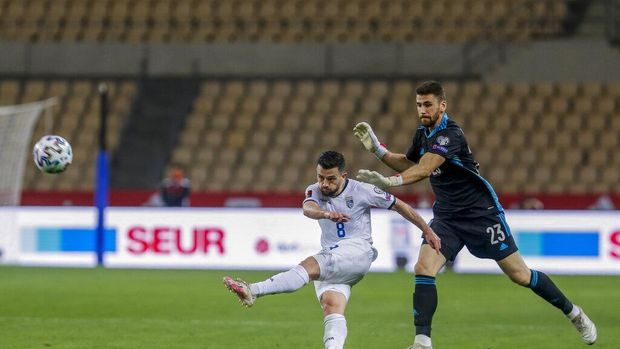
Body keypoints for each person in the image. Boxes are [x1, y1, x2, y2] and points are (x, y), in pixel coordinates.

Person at [353, 81, 597, 349]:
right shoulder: (423, 133)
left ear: (442, 105)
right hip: (447, 217)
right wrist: (378, 149)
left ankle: (574, 313)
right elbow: (413, 163)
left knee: (520, 275)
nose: (422, 110)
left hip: (481, 215)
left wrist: (391, 182)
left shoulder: (450, 135)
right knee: (424, 267)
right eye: (419, 105)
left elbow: (425, 169)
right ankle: (422, 341)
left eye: (427, 104)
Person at [223, 150, 441, 349]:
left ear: (343, 175)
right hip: (336, 256)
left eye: (330, 179)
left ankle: (253, 290)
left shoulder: (362, 190)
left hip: (358, 251)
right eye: (320, 177)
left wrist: (428, 231)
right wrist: (326, 214)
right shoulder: (315, 190)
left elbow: (401, 206)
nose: (324, 184)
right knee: (331, 305)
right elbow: (308, 209)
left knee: (309, 265)